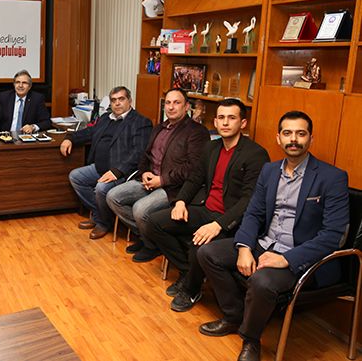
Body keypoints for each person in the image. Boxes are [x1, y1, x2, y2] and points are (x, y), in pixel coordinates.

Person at [197, 111, 349, 361]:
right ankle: (234, 316)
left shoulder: (332, 177)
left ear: (311, 138)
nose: (293, 139)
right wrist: (244, 247)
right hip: (265, 243)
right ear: (278, 138)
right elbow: (253, 213)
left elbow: (333, 235)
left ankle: (250, 339)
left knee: (261, 281)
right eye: (287, 133)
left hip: (302, 255)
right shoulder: (269, 171)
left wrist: (287, 259)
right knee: (207, 253)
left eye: (300, 134)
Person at [146, 99, 270, 312]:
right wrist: (181, 201)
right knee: (154, 222)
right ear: (215, 121)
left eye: (231, 118)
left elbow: (249, 200)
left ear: (242, 123)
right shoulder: (212, 147)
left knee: (199, 247)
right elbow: (195, 178)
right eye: (221, 118)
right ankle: (188, 272)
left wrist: (218, 225)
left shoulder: (256, 154)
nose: (225, 123)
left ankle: (191, 289)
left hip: (230, 219)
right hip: (204, 209)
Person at [106, 88, 210, 262]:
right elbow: (145, 155)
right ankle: (147, 236)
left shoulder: (197, 131)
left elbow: (192, 168)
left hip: (174, 187)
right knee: (113, 196)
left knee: (140, 209)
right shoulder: (159, 128)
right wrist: (144, 172)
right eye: (168, 103)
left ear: (187, 107)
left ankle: (151, 246)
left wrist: (161, 180)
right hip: (148, 179)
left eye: (176, 103)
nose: (171, 107)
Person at [61, 86, 152, 239]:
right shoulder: (106, 118)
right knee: (76, 176)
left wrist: (117, 171)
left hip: (122, 172)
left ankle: (103, 223)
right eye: (114, 100)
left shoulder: (141, 122)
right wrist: (70, 138)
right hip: (99, 167)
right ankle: (99, 213)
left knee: (101, 188)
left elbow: (138, 152)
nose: (117, 103)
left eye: (121, 99)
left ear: (130, 101)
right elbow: (90, 132)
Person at [0, 70, 51, 134]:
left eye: (24, 83)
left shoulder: (37, 99)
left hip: (27, 137)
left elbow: (46, 122)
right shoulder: (5, 97)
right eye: (18, 82)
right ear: (14, 84)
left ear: (30, 86)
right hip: (7, 137)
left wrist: (33, 127)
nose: (20, 85)